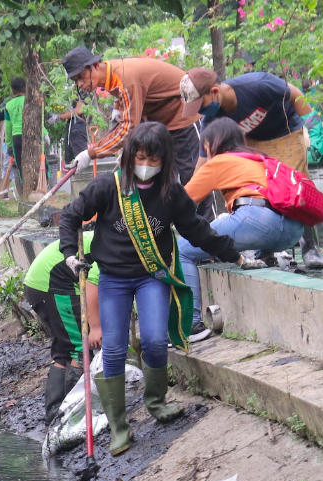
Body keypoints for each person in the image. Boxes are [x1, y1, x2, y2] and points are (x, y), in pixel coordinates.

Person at [59, 122, 241, 456]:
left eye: (153, 159)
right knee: (113, 350)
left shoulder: (171, 193)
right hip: (112, 279)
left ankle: (157, 403)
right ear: (130, 157)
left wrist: (237, 254)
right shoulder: (108, 186)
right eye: (140, 157)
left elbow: (198, 230)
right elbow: (70, 216)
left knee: (156, 340)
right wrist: (70, 254)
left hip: (151, 277)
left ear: (164, 160)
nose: (146, 164)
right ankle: (118, 426)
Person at [177, 118, 306, 341]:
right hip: (294, 230)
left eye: (205, 147)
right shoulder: (260, 158)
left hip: (257, 220)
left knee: (182, 250)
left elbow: (180, 203)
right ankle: (272, 259)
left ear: (212, 144)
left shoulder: (218, 163)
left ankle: (192, 325)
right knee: (231, 221)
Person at [179, 67, 321, 268]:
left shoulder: (256, 85)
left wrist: (316, 129)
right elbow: (203, 167)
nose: (200, 112)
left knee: (294, 185)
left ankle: (311, 249)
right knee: (262, 188)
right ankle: (266, 251)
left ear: (215, 92)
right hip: (251, 142)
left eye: (200, 105)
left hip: (284, 132)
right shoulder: (212, 121)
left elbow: (296, 95)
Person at [62, 45, 200, 184]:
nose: (80, 83)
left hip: (182, 117)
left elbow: (127, 129)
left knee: (193, 179)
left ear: (95, 65)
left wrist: (90, 153)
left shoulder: (125, 77)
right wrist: (117, 108)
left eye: (81, 76)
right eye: (75, 80)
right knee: (164, 183)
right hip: (159, 124)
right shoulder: (110, 74)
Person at [23, 233, 102, 424]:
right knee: (80, 347)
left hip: (39, 283)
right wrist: (96, 327)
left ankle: (55, 412)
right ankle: (74, 415)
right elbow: (93, 286)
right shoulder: (112, 246)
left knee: (63, 349)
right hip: (54, 283)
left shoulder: (105, 236)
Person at [0, 78, 26, 185]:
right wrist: (44, 134)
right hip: (32, 136)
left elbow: (8, 128)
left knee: (20, 166)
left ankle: (25, 190)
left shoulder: (8, 105)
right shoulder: (30, 100)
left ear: (12, 90)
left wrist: (9, 145)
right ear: (26, 88)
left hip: (16, 137)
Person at [49, 99, 89, 168]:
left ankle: (82, 177)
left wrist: (59, 117)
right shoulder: (74, 93)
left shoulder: (83, 92)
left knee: (80, 161)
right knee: (70, 163)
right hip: (72, 131)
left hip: (78, 131)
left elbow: (80, 110)